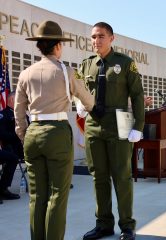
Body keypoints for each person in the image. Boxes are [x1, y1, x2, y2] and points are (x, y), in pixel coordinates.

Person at [14, 20, 94, 240]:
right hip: (57, 131)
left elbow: (18, 112)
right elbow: (89, 102)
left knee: (37, 196)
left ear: (40, 46)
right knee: (57, 195)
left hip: (33, 132)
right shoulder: (68, 72)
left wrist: (24, 135)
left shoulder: (25, 74)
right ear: (58, 45)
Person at [78, 22, 144, 240]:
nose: (96, 41)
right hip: (94, 125)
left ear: (112, 38)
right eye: (93, 37)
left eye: (101, 36)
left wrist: (138, 127)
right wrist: (77, 101)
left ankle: (127, 225)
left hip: (119, 124)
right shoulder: (86, 65)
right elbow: (77, 89)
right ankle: (103, 224)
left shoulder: (125, 64)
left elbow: (137, 96)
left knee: (122, 176)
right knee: (99, 177)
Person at [0, 92, 22, 201]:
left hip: (23, 145)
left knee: (45, 151)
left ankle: (52, 182)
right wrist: (19, 136)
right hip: (11, 146)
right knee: (12, 157)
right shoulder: (4, 115)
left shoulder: (22, 114)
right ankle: (3, 189)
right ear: (12, 99)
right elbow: (3, 134)